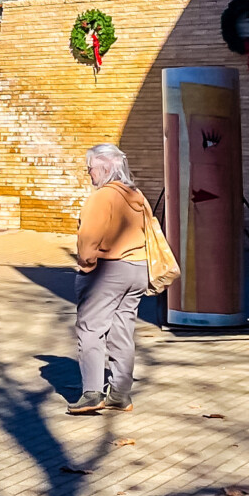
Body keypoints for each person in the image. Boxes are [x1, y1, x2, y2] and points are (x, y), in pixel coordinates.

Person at [69, 144, 152, 415]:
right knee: (122, 331)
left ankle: (92, 393)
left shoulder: (101, 197)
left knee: (91, 329)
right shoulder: (136, 195)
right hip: (137, 269)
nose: (88, 173)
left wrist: (86, 265)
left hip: (108, 271)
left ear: (104, 167)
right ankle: (120, 394)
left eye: (90, 167)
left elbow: (88, 239)